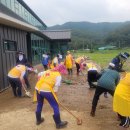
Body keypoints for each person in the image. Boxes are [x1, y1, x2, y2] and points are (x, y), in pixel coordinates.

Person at [35, 64, 68, 128]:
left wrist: (40, 80)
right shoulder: (58, 76)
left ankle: (38, 120)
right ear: (61, 70)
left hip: (38, 88)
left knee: (39, 104)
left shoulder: (48, 70)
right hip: (46, 90)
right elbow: (55, 89)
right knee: (55, 105)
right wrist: (56, 98)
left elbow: (39, 74)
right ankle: (58, 123)